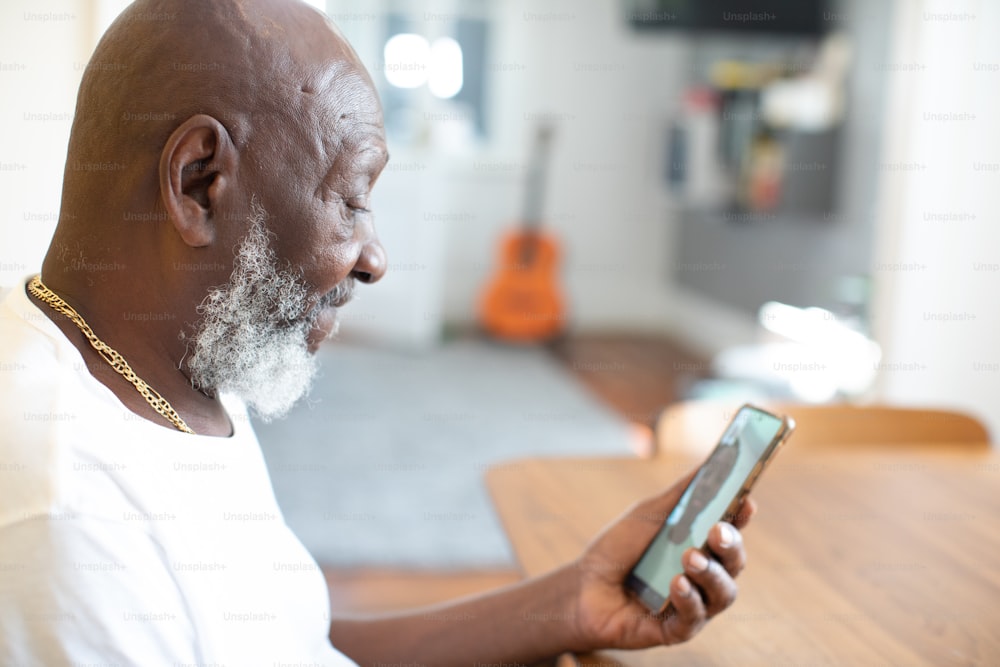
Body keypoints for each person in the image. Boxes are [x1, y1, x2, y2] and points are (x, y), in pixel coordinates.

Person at [0, 1, 755, 664]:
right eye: (351, 199)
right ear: (201, 182)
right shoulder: (72, 526)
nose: (375, 258)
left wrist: (570, 600)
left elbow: (295, 645)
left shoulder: (164, 374)